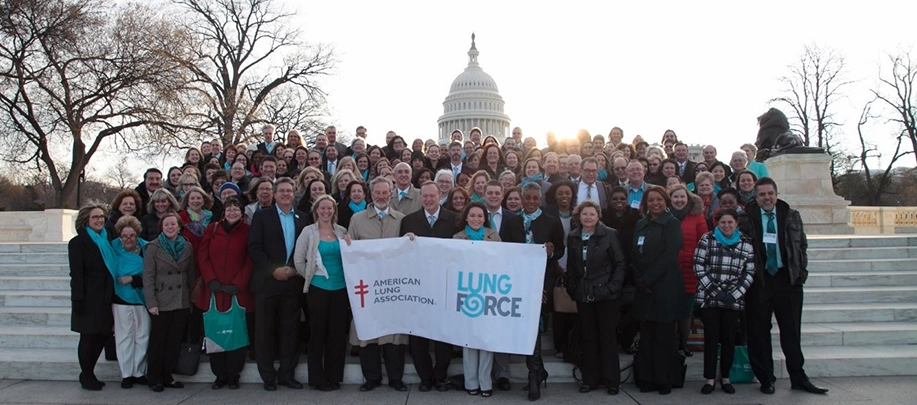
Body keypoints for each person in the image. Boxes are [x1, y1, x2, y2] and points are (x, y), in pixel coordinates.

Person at [739, 177, 828, 395]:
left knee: (791, 331)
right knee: (759, 332)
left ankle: (798, 377)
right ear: (756, 196)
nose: (766, 198)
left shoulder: (790, 215)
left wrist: (801, 273)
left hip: (787, 280)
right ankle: (766, 378)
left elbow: (802, 245)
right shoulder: (745, 218)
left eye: (770, 193)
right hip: (759, 282)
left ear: (776, 194)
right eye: (762, 194)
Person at [346, 176, 409, 392]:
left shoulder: (401, 219)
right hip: (367, 286)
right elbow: (351, 250)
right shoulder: (357, 219)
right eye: (377, 193)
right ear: (370, 194)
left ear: (391, 193)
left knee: (393, 335)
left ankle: (395, 378)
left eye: (385, 192)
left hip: (393, 287)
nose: (381, 196)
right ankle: (371, 378)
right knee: (368, 334)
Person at [247, 177, 308, 391]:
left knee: (290, 332)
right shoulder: (262, 216)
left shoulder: (303, 218)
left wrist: (293, 269)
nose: (285, 194)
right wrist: (273, 269)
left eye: (289, 191)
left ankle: (287, 375)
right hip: (267, 283)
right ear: (274, 194)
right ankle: (268, 377)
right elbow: (254, 247)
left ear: (294, 194)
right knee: (265, 332)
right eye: (281, 191)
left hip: (292, 282)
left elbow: (306, 249)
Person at [398, 182, 458, 392]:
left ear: (440, 195)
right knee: (418, 335)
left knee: (443, 334)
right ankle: (425, 377)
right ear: (420, 197)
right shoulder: (409, 221)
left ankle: (440, 375)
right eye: (425, 196)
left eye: (432, 196)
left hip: (445, 285)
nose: (429, 199)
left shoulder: (454, 219)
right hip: (418, 287)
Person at [564, 199, 626, 395]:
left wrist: (610, 288)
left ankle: (612, 381)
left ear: (598, 216)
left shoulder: (609, 234)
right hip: (583, 294)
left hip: (607, 295)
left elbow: (620, 264)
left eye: (592, 214)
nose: (588, 217)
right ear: (579, 217)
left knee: (607, 338)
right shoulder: (573, 236)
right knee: (588, 338)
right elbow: (572, 267)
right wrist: (573, 289)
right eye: (584, 214)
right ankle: (589, 380)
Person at [693, 208, 755, 395]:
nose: (726, 226)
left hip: (732, 300)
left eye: (730, 222)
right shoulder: (707, 239)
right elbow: (698, 265)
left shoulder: (746, 243)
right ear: (717, 223)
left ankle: (726, 377)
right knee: (711, 339)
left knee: (729, 339)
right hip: (710, 298)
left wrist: (735, 294)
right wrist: (715, 291)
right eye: (723, 222)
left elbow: (749, 272)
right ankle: (710, 378)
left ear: (736, 223)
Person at [293, 195, 349, 391]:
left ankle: (334, 377)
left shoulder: (342, 231)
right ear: (316, 211)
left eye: (329, 208)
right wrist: (311, 276)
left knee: (337, 334)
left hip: (341, 288)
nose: (326, 212)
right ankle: (317, 378)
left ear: (334, 210)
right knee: (317, 333)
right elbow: (299, 260)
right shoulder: (308, 232)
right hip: (318, 289)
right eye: (322, 208)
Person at [632, 186, 684, 395]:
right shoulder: (640, 224)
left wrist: (648, 278)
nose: (655, 203)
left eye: (659, 199)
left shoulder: (672, 223)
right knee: (646, 337)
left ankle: (664, 380)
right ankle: (646, 379)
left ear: (665, 201)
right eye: (651, 200)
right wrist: (639, 279)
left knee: (664, 337)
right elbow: (634, 254)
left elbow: (669, 255)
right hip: (644, 288)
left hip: (665, 287)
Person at [196, 197, 253, 390]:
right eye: (229, 209)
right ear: (224, 212)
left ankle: (233, 375)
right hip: (213, 290)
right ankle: (219, 375)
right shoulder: (212, 229)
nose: (232, 212)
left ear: (242, 212)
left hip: (237, 292)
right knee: (215, 333)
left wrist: (238, 283)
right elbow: (202, 256)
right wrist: (210, 279)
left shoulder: (247, 231)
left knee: (236, 334)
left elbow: (249, 260)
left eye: (236, 209)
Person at [519, 183, 565, 400]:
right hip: (517, 282)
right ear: (521, 198)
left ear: (540, 199)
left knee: (534, 327)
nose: (530, 202)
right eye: (527, 197)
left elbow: (559, 251)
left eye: (535, 198)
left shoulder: (551, 221)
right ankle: (539, 371)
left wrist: (552, 251)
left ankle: (533, 375)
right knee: (526, 327)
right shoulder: (512, 221)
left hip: (541, 282)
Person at [453, 201, 501, 397]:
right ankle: (471, 382)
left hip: (488, 292)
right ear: (466, 217)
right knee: (469, 339)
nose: (476, 219)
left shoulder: (494, 236)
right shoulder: (457, 238)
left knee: (486, 340)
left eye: (480, 216)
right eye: (472, 215)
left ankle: (485, 382)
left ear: (485, 218)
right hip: (466, 293)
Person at [143, 212, 194, 392]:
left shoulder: (187, 246)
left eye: (173, 224)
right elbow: (148, 277)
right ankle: (154, 377)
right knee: (159, 341)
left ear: (179, 227)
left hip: (181, 299)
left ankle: (167, 375)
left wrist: (192, 298)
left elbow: (191, 274)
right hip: (161, 299)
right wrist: (151, 302)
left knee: (174, 341)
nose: (171, 227)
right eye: (167, 225)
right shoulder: (153, 247)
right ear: (162, 228)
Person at [69, 205, 117, 391]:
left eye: (101, 217)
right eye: (95, 217)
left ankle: (88, 372)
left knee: (104, 333)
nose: (99, 220)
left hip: (106, 294)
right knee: (88, 336)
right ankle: (87, 374)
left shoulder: (106, 238)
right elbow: (77, 274)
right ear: (85, 220)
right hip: (88, 296)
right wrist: (78, 300)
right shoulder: (77, 243)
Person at [110, 216, 150, 389]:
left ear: (137, 235)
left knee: (142, 335)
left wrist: (133, 279)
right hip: (120, 298)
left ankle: (139, 372)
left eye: (132, 235)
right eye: (124, 236)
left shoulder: (147, 248)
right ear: (120, 236)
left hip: (143, 298)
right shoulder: (112, 248)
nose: (128, 239)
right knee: (124, 336)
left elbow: (151, 273)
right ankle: (126, 373)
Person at [668, 184, 709, 358]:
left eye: (682, 197)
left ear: (688, 198)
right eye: (675, 197)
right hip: (669, 269)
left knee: (686, 310)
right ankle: (671, 344)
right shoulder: (665, 216)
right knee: (670, 309)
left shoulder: (696, 216)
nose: (679, 200)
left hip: (690, 269)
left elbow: (704, 239)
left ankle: (684, 344)